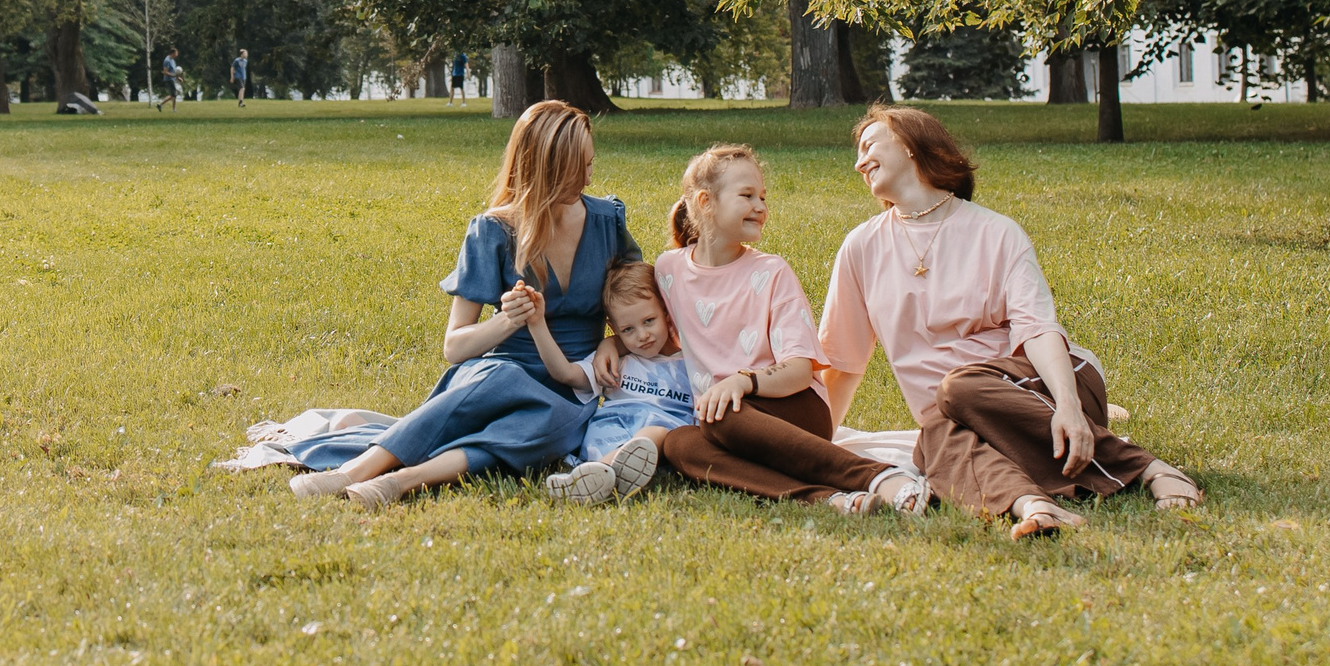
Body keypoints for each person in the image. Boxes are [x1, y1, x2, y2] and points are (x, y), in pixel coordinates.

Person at [816, 106, 1204, 539]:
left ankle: (1148, 467)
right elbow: (842, 363)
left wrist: (1069, 407)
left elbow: (1036, 329)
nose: (859, 162)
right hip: (956, 416)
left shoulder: (995, 232)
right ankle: (1033, 505)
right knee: (934, 439)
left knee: (958, 387)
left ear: (909, 144)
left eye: (869, 145)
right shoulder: (861, 247)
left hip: (1046, 387)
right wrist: (814, 442)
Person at [288, 100, 642, 508]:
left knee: (544, 427)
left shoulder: (607, 222)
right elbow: (454, 347)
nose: (587, 177)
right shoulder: (494, 230)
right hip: (498, 374)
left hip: (570, 387)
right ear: (543, 168)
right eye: (575, 168)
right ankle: (357, 471)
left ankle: (401, 481)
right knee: (502, 379)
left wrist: (612, 342)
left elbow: (645, 309)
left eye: (590, 164)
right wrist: (507, 321)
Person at [627, 144, 922, 515]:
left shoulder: (770, 272)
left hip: (794, 407)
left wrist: (742, 382)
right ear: (705, 202)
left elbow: (799, 370)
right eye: (747, 195)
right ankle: (829, 500)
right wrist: (613, 347)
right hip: (724, 420)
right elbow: (658, 332)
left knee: (721, 415)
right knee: (680, 444)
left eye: (763, 197)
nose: (761, 207)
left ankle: (878, 477)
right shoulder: (669, 270)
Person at [529, 260, 690, 504]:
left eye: (649, 320)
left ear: (667, 312)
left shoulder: (690, 363)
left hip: (657, 443)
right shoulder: (614, 361)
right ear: (613, 328)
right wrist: (537, 324)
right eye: (627, 329)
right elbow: (566, 374)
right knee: (634, 440)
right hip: (608, 434)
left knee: (654, 433)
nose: (642, 335)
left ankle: (598, 476)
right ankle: (602, 475)